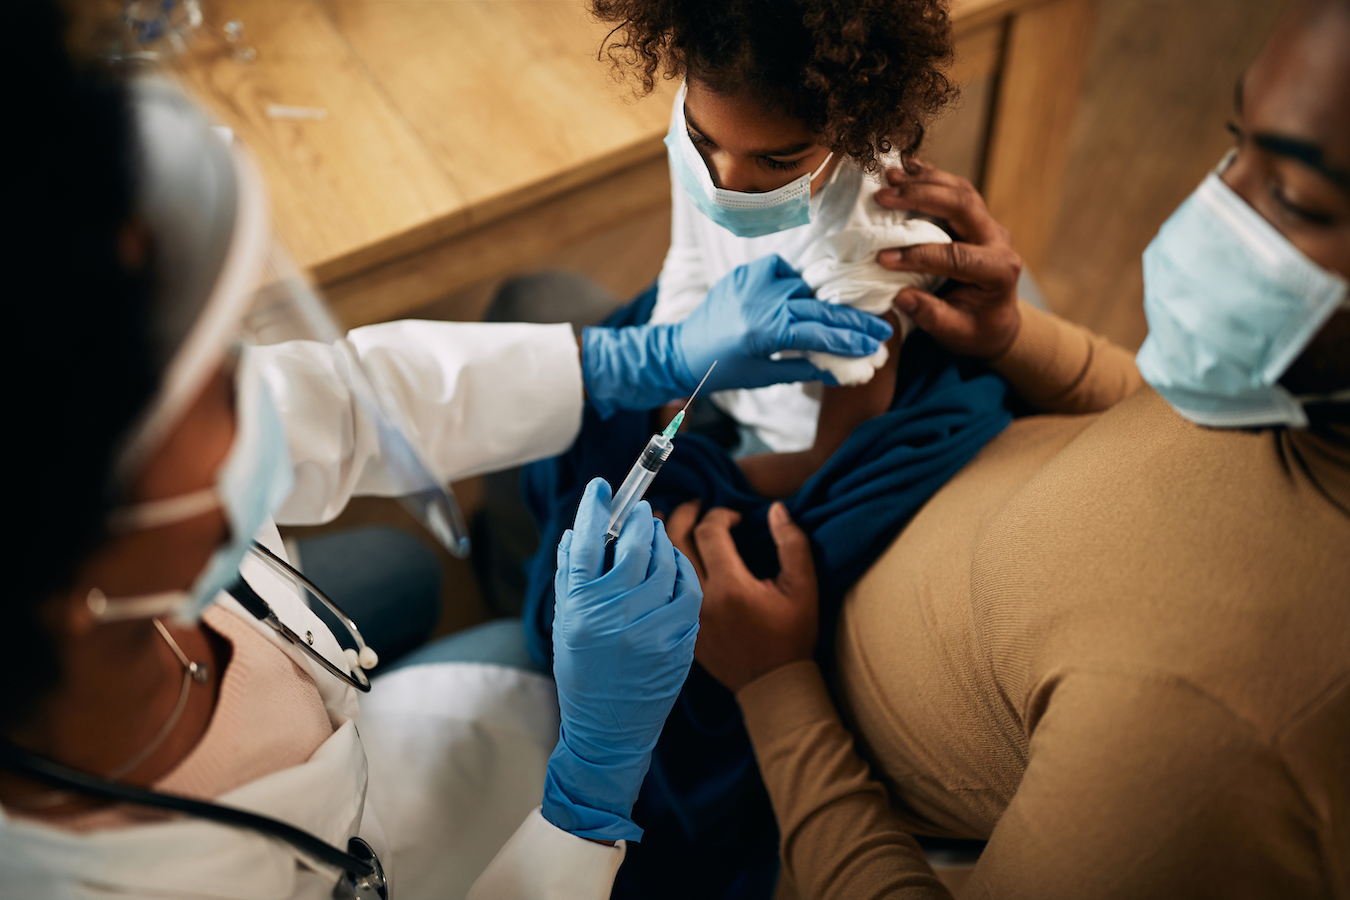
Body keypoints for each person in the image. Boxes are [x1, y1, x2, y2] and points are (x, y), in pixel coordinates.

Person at [0, 4, 893, 897]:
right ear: (72, 563)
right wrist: (588, 794)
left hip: (365, 762)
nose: (260, 397)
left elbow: (350, 402)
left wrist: (638, 359)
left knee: (409, 570)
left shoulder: (92, 496)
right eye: (206, 396)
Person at [672, 0, 1350, 896]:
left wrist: (777, 692)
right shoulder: (1299, 398)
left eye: (1293, 197)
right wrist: (1010, 337)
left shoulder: (1217, 740)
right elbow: (1164, 423)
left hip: (792, 709)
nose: (1208, 208)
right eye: (1234, 145)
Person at [591, 0, 964, 497]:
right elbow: (691, 264)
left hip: (782, 455)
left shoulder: (869, 247)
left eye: (776, 161)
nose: (725, 182)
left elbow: (829, 458)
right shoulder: (711, 118)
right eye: (704, 144)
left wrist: (680, 489)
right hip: (716, 410)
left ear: (848, 128)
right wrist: (670, 381)